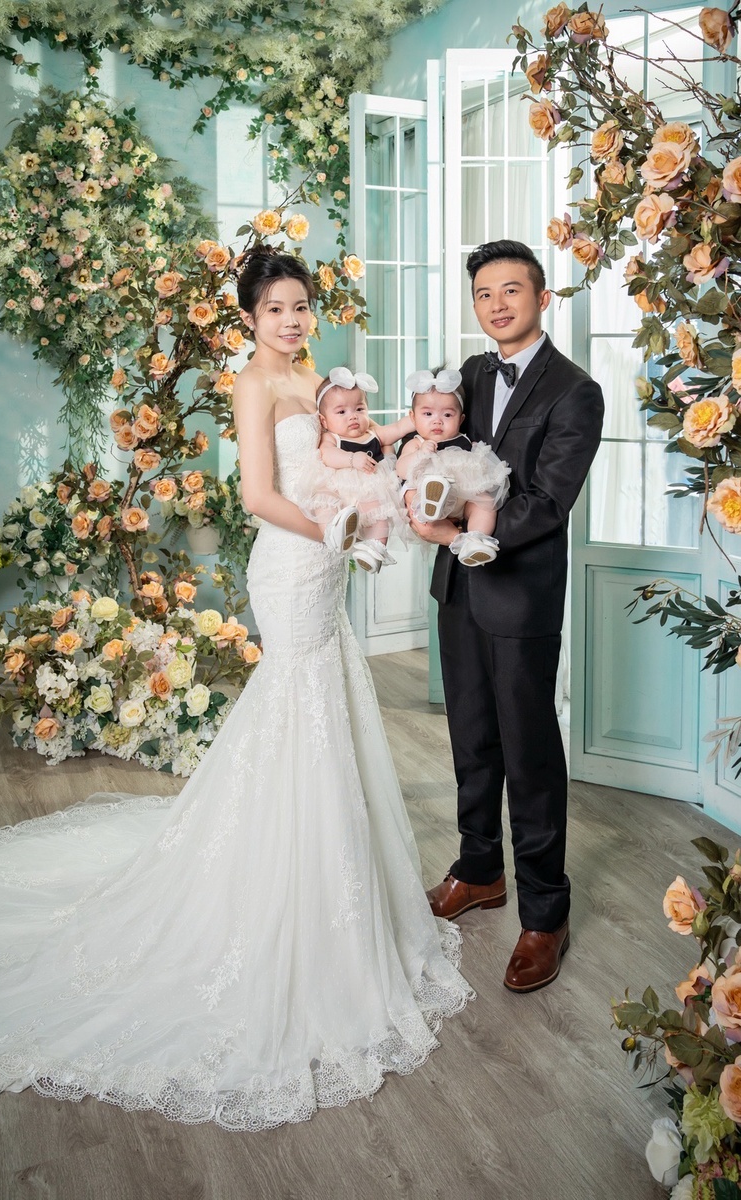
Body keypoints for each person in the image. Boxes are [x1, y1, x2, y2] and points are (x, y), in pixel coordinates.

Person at [0, 246, 472, 1129]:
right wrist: (336, 533)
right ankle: (279, 886)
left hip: (328, 564)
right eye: (276, 310)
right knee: (296, 705)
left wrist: (388, 488)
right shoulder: (253, 384)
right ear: (250, 318)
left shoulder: (320, 378)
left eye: (301, 306)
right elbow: (259, 495)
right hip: (292, 562)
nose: (292, 321)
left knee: (324, 703)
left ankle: (328, 884)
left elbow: (353, 456)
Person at [412, 239, 604, 993]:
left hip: (520, 593)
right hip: (458, 593)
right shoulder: (468, 373)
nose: (496, 304)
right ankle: (479, 870)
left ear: (542, 298)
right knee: (470, 738)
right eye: (484, 293)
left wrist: (461, 532)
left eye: (511, 290)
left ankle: (545, 914)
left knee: (528, 751)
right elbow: (436, 442)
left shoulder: (576, 391)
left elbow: (548, 502)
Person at [292, 366, 413, 573]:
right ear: (323, 420)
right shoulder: (332, 437)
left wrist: (418, 418)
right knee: (324, 503)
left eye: (359, 409)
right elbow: (326, 454)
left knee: (381, 513)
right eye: (342, 412)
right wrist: (351, 459)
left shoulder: (373, 434)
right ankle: (334, 532)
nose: (353, 417)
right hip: (338, 488)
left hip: (368, 490)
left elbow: (398, 429)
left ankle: (374, 550)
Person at [396, 367, 510, 567]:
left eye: (447, 415)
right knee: (417, 491)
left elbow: (479, 467)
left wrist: (476, 455)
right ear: (412, 418)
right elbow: (401, 469)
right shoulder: (416, 443)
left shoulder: (465, 442)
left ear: (461, 419)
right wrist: (420, 454)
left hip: (462, 496)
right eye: (428, 414)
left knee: (485, 502)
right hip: (426, 497)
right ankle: (430, 505)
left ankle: (476, 539)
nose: (437, 421)